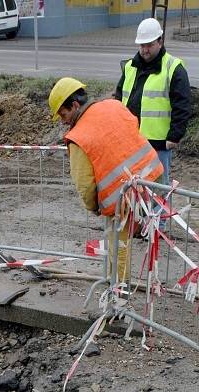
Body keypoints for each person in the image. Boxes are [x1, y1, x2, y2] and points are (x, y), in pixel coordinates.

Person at [48, 78, 163, 283]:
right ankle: (118, 287)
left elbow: (85, 184)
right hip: (152, 178)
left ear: (74, 105)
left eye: (63, 114)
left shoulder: (78, 136)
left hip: (123, 198)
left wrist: (92, 206)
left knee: (118, 248)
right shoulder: (113, 105)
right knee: (125, 242)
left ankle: (119, 296)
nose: (63, 121)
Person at [115, 17, 191, 186]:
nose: (145, 50)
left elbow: (183, 105)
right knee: (133, 190)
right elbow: (118, 100)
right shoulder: (130, 67)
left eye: (149, 45)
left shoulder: (173, 68)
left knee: (157, 192)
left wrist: (175, 136)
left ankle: (157, 214)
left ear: (160, 41)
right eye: (142, 46)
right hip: (131, 141)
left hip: (158, 144)